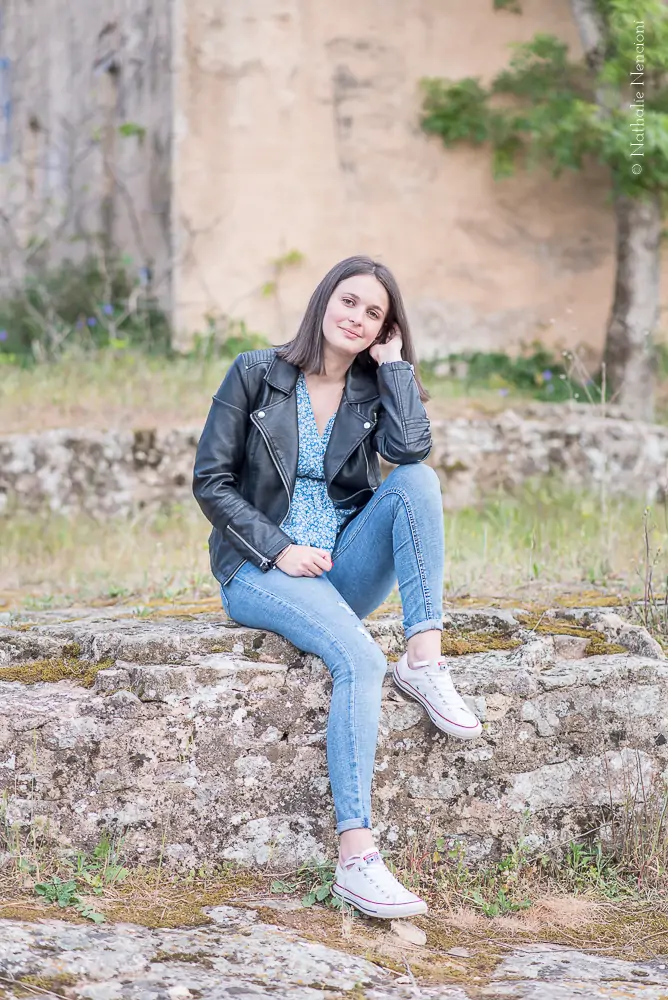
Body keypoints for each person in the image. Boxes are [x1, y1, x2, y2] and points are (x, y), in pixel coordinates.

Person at [193, 255, 482, 920]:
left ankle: (427, 658)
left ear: (386, 327)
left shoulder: (370, 389)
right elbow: (210, 482)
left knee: (418, 483)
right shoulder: (254, 373)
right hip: (258, 569)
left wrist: (396, 369)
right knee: (358, 658)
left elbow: (411, 452)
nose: (357, 317)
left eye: (374, 312)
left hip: (340, 571)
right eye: (348, 301)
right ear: (324, 302)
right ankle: (356, 858)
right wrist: (280, 547)